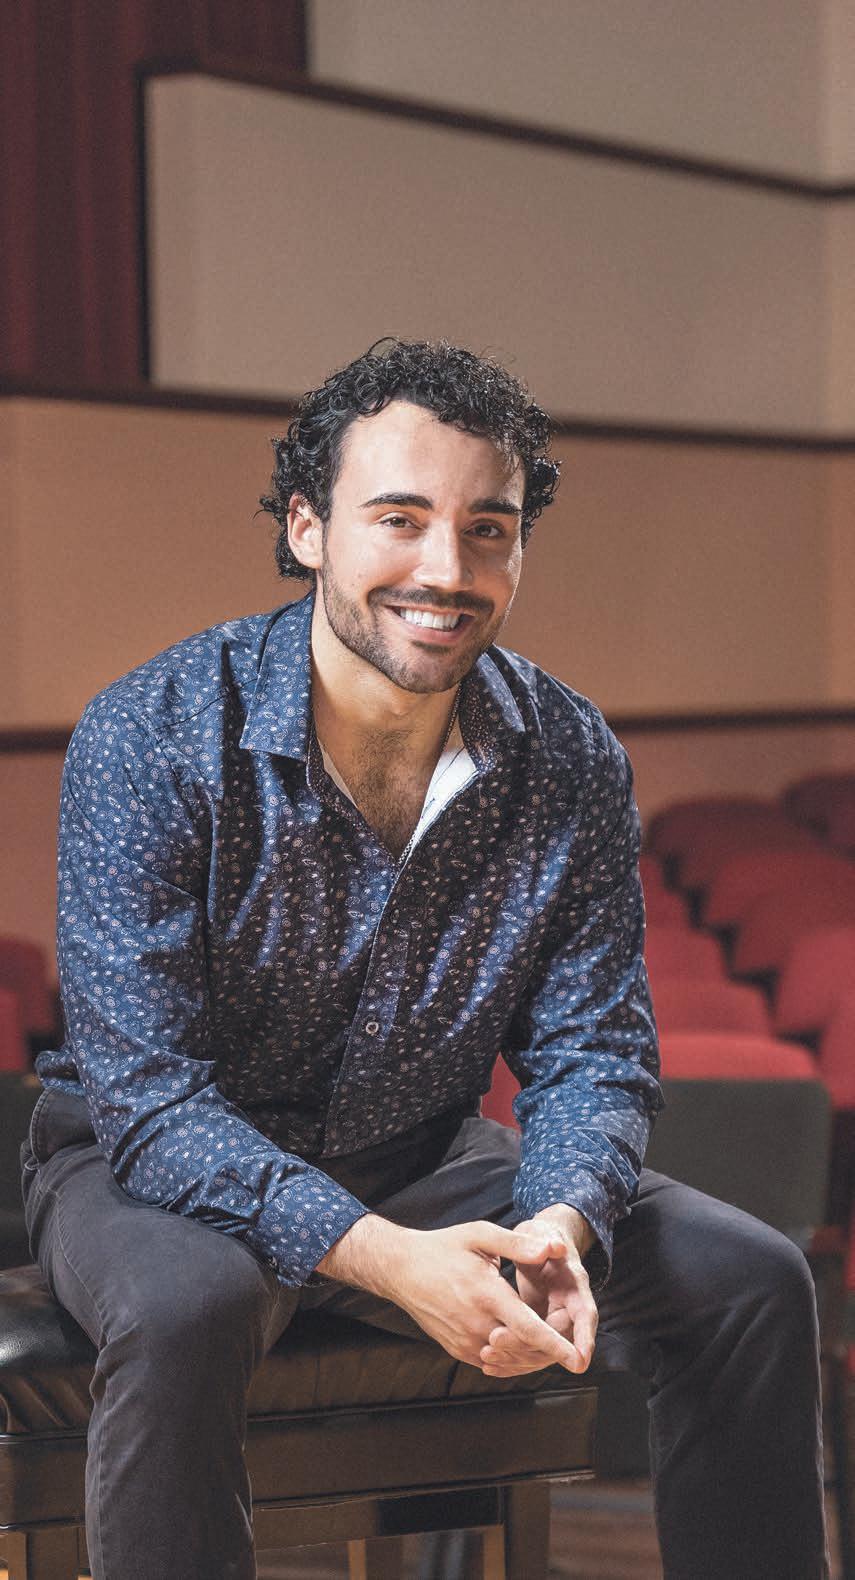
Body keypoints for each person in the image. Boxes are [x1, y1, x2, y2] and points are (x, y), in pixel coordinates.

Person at [23, 339, 827, 1579]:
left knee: (755, 1279)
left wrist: (559, 1221)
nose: (447, 570)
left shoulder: (569, 754)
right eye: (399, 519)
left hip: (417, 1154)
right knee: (191, 1305)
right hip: (147, 1163)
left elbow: (595, 1050)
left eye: (487, 529)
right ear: (307, 527)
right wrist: (390, 1260)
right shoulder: (154, 732)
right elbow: (152, 1101)